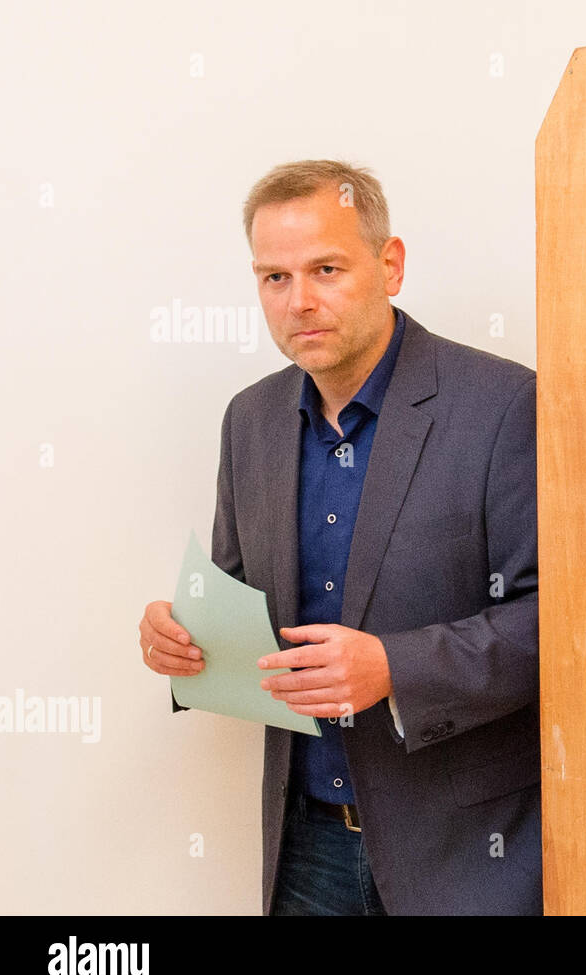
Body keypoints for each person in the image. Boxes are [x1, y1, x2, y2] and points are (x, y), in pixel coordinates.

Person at [137, 159, 540, 915]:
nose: (301, 301)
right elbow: (240, 606)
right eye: (275, 278)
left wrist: (397, 666)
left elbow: (559, 623)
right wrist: (183, 642)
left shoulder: (503, 404)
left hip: (465, 856)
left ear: (390, 266)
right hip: (304, 846)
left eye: (326, 268)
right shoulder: (249, 419)